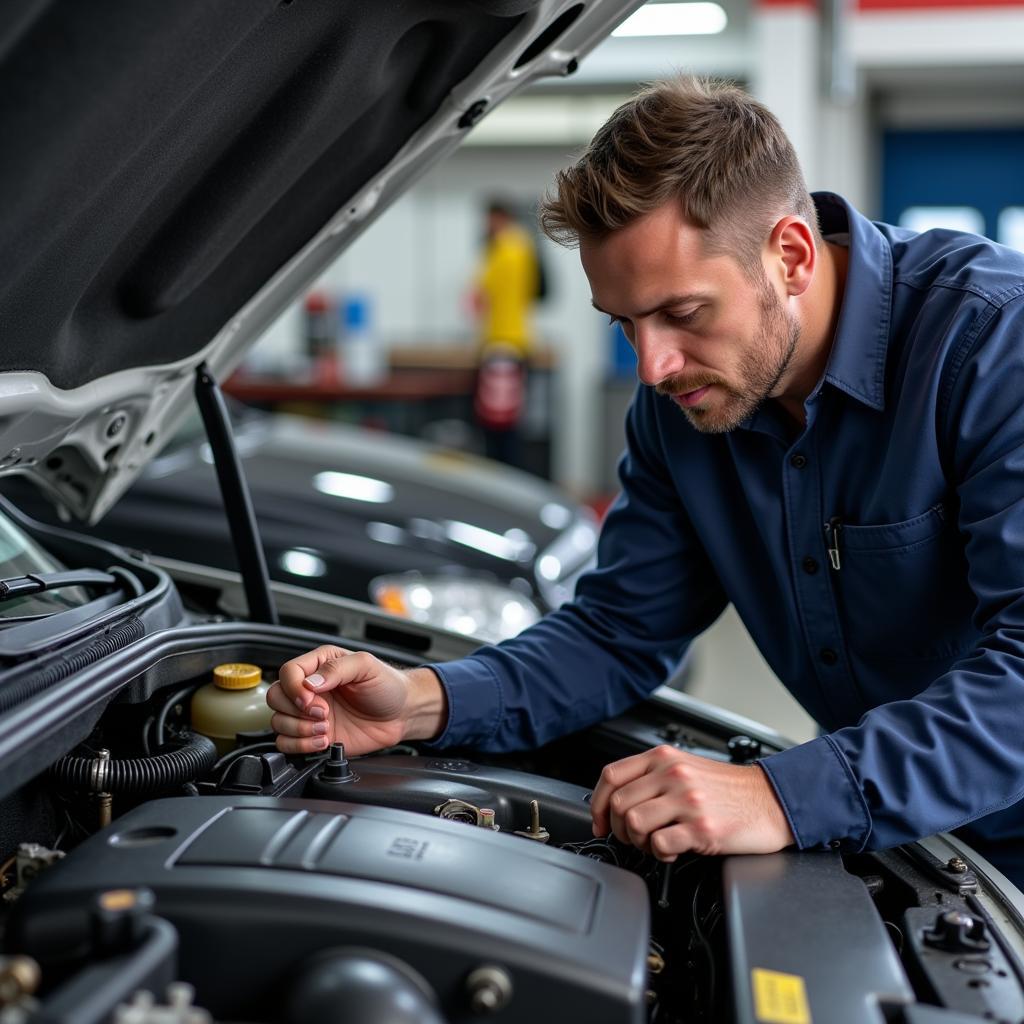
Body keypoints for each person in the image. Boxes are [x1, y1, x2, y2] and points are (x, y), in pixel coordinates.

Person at [266, 76, 1024, 886]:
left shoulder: (991, 348)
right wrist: (421, 701)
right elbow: (620, 631)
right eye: (624, 323)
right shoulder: (687, 405)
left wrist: (779, 795)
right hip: (918, 854)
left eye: (684, 313)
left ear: (792, 255)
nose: (652, 366)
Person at [471, 199, 540, 467]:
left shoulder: (504, 248)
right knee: (508, 425)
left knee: (498, 427)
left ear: (498, 217)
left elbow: (478, 297)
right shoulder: (523, 247)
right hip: (515, 342)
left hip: (502, 344)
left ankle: (501, 486)